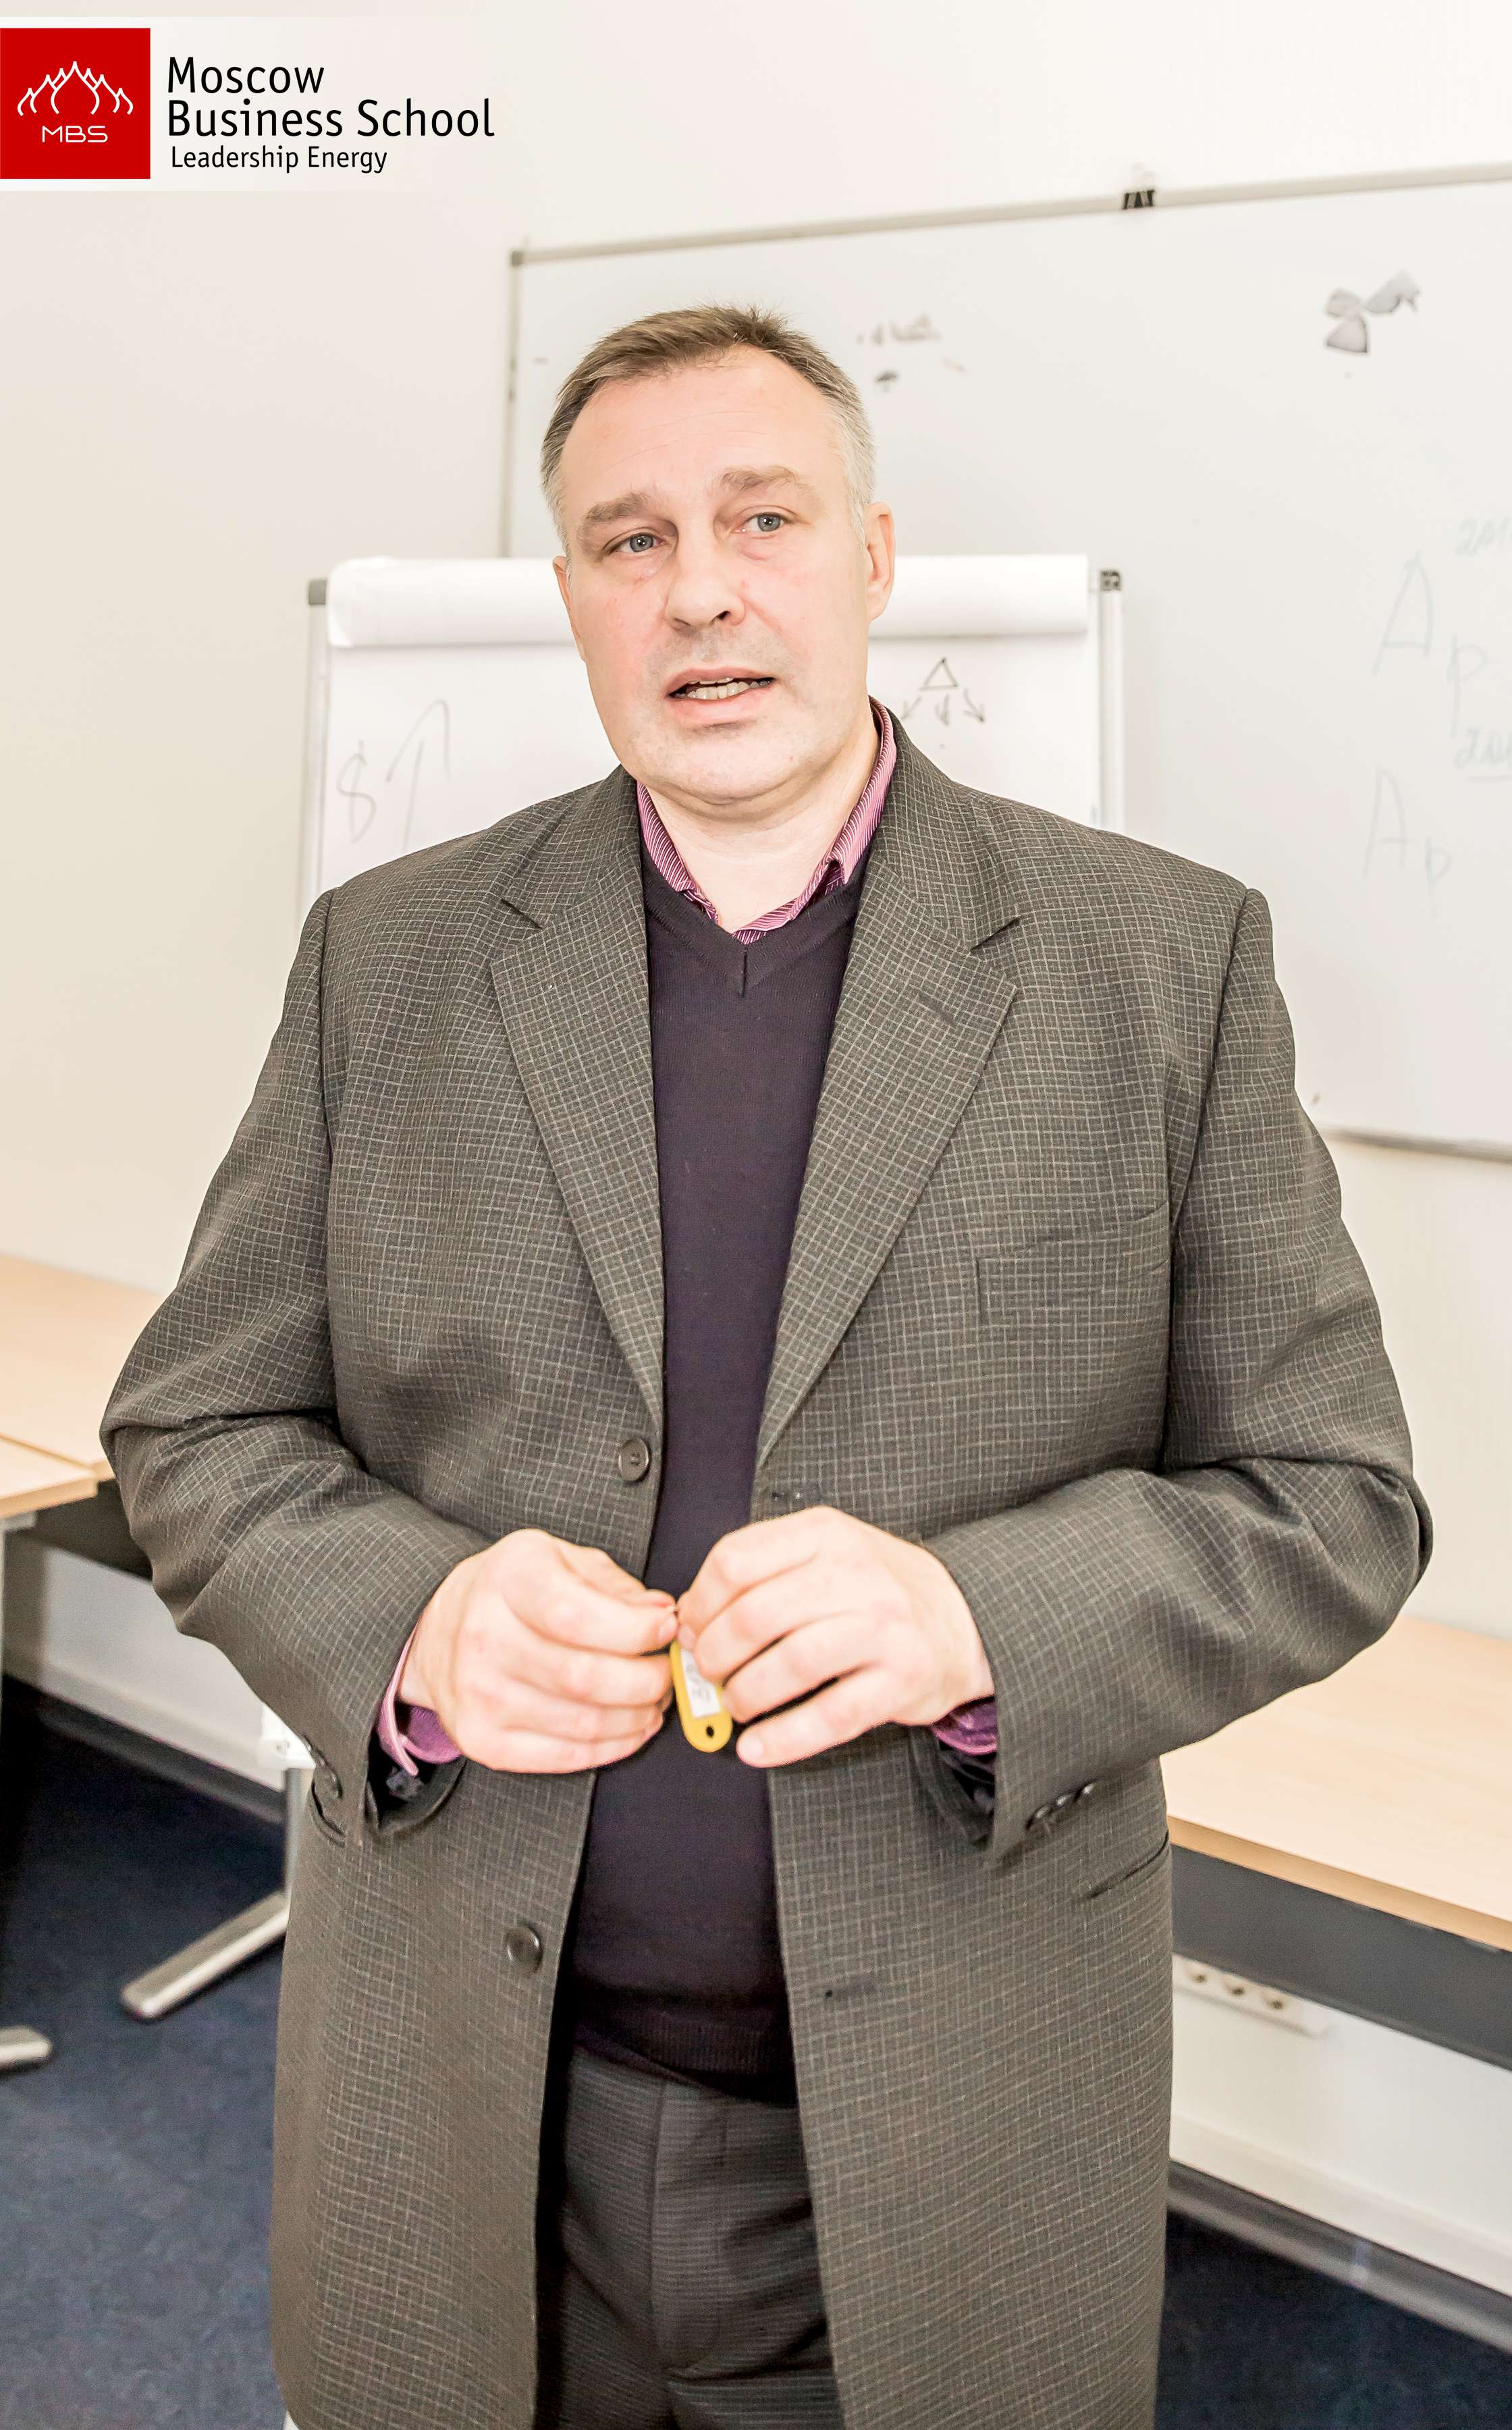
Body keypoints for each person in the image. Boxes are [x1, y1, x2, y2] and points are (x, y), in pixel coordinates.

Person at [102, 302, 1431, 2430]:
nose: (701, 590)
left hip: (949, 2121)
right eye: (630, 540)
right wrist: (415, 1623)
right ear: (570, 597)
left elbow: (1333, 1500)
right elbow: (199, 1425)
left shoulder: (1159, 967)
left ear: (874, 558)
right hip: (463, 2094)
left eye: (763, 518)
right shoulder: (391, 960)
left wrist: (976, 1617)